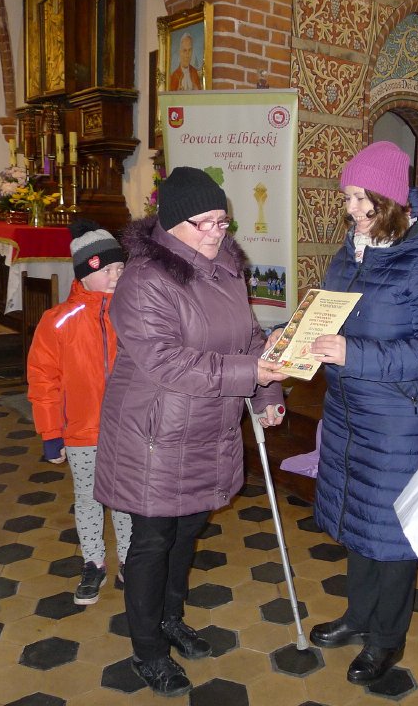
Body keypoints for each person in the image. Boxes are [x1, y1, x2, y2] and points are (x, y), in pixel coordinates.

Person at [94, 167, 287, 698]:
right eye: (205, 222)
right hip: (154, 433)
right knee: (153, 542)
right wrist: (252, 376)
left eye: (222, 221)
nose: (217, 232)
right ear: (172, 222)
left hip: (209, 426)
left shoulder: (225, 268)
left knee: (186, 534)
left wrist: (267, 393)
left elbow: (250, 338)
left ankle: (170, 620)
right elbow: (167, 362)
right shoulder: (145, 279)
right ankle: (148, 651)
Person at [306, 141, 418, 684]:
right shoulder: (350, 254)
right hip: (350, 413)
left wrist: (353, 354)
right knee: (358, 520)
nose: (351, 209)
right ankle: (358, 616)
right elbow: (326, 316)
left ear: (390, 199)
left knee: (392, 537)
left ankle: (386, 639)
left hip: (400, 422)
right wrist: (295, 339)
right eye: (347, 197)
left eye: (361, 198)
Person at [27, 219, 132, 606]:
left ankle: (130, 561)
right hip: (81, 432)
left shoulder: (133, 314)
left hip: (128, 431)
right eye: (107, 270)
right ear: (84, 274)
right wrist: (51, 433)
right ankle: (93, 562)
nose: (116, 277)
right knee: (89, 499)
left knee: (125, 501)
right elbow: (43, 381)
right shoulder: (57, 321)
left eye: (120, 268)